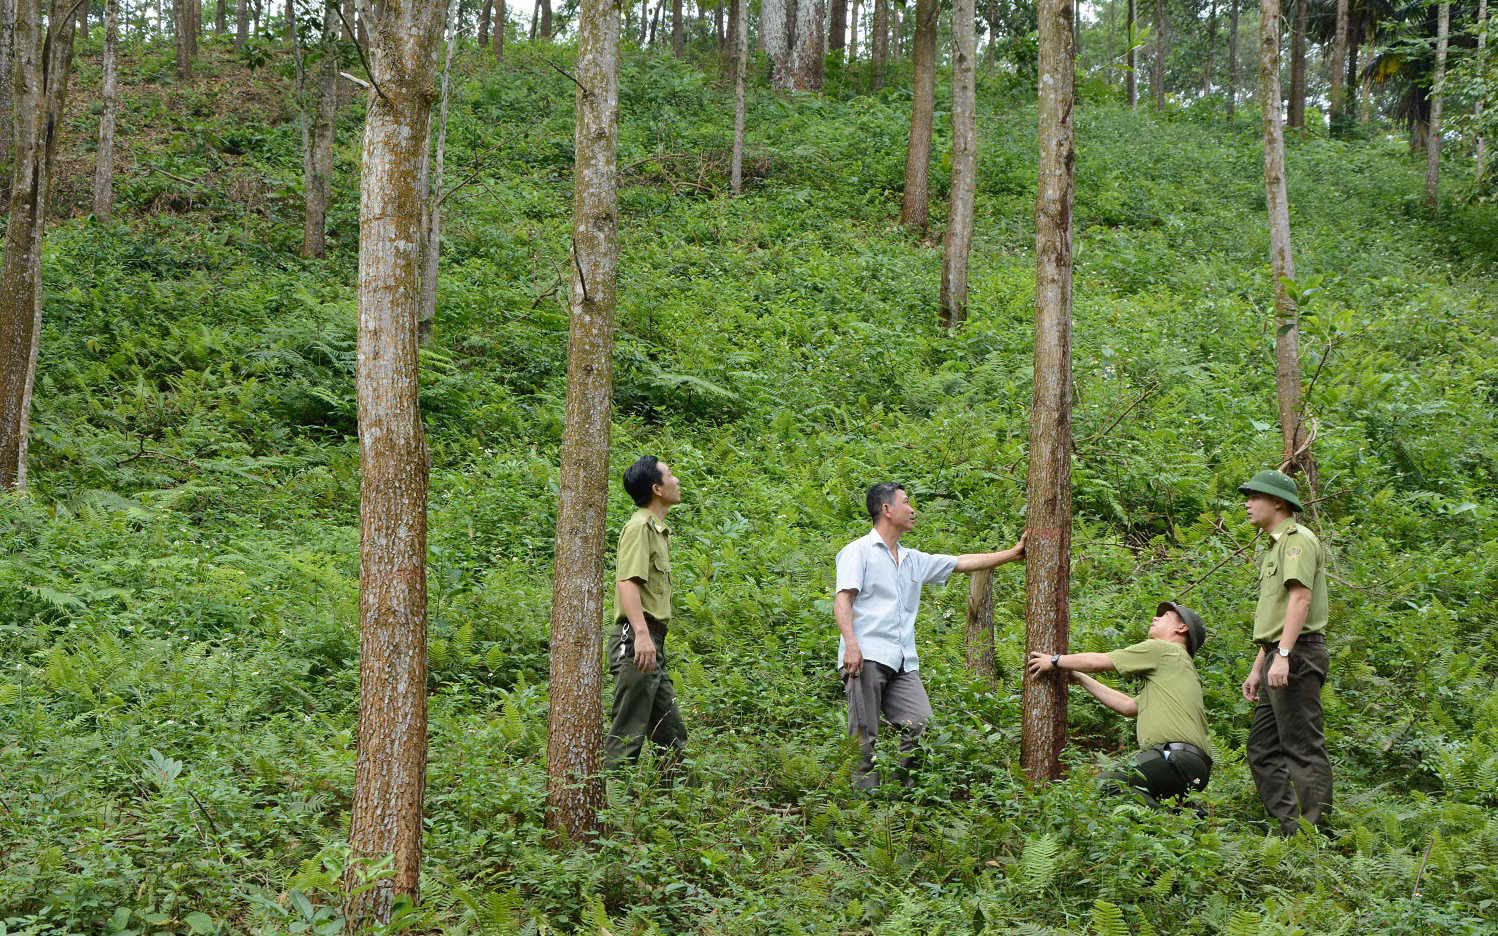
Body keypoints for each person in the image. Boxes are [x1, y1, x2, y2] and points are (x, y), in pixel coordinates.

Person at [835, 482, 1026, 789]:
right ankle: (863, 808)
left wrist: (1013, 554)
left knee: (920, 722)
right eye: (906, 503)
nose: (913, 510)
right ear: (887, 510)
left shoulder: (913, 559)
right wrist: (852, 646)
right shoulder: (857, 552)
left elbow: (961, 563)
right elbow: (843, 600)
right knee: (863, 734)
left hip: (902, 661)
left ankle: (900, 794)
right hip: (866, 655)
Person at [1027, 602, 1213, 808]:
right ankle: (1186, 821)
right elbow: (1128, 706)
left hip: (1175, 760)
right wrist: (1081, 680)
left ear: (1182, 628)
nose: (1155, 618)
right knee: (1148, 800)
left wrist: (1054, 660)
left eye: (1165, 616)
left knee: (1108, 784)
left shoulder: (1164, 650)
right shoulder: (1176, 669)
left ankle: (1166, 821)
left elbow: (1097, 662)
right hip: (1194, 771)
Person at [1238, 469, 1331, 836]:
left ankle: (1314, 835)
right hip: (1279, 654)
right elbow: (1278, 617)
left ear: (1278, 502)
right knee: (1262, 749)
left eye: (1254, 496)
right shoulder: (1277, 545)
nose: (1247, 504)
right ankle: (1292, 829)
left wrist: (1285, 654)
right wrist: (1259, 665)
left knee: (1303, 747)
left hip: (1297, 654)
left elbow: (1301, 599)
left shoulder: (1297, 540)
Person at [603, 456, 687, 770]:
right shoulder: (639, 527)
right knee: (627, 735)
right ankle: (613, 812)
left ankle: (678, 810)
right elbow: (627, 582)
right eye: (670, 475)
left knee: (671, 733)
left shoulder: (656, 530)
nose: (676, 480)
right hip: (637, 640)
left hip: (651, 642)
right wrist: (640, 634)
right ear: (657, 488)